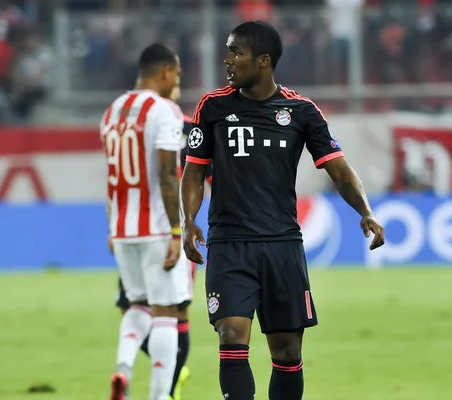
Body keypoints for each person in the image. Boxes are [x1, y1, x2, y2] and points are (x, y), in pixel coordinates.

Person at [180, 21, 385, 400]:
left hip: (282, 245)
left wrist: (366, 210)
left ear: (263, 61)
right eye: (228, 50)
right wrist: (187, 220)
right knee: (232, 335)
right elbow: (194, 172)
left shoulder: (301, 111)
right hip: (229, 244)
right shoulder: (213, 107)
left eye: (236, 52)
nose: (227, 60)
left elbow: (338, 169)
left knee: (288, 352)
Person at [112, 84, 213, 400]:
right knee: (171, 313)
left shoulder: (136, 125)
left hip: (134, 228)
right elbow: (210, 179)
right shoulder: (185, 128)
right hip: (168, 232)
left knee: (136, 306)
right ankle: (169, 382)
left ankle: (155, 378)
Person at [101, 43, 186, 400]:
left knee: (137, 305)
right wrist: (177, 231)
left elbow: (111, 174)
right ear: (166, 71)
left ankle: (123, 367)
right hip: (156, 227)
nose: (177, 83)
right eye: (177, 75)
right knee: (166, 312)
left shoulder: (112, 111)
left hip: (122, 227)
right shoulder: (165, 111)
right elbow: (168, 172)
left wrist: (111, 226)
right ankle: (158, 396)